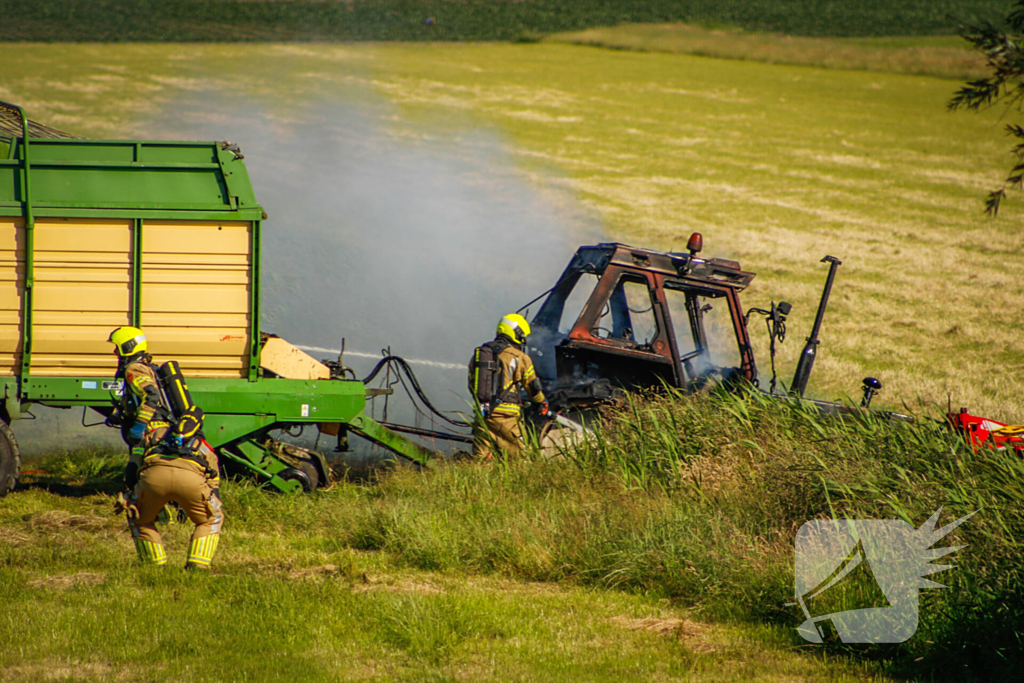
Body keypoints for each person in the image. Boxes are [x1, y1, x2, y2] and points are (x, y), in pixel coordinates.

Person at [107, 326, 223, 570]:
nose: (116, 354)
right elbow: (213, 468)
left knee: (139, 519)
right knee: (212, 519)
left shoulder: (134, 369)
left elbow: (149, 396)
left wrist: (138, 426)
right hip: (191, 475)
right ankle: (198, 566)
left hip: (151, 456)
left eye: (116, 348)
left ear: (125, 347)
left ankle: (153, 567)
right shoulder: (195, 441)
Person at [468, 314, 548, 460]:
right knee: (524, 459)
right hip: (506, 418)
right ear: (516, 333)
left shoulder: (480, 355)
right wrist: (542, 402)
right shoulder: (519, 357)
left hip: (483, 413)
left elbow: (472, 384)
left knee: (482, 461)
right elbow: (533, 388)